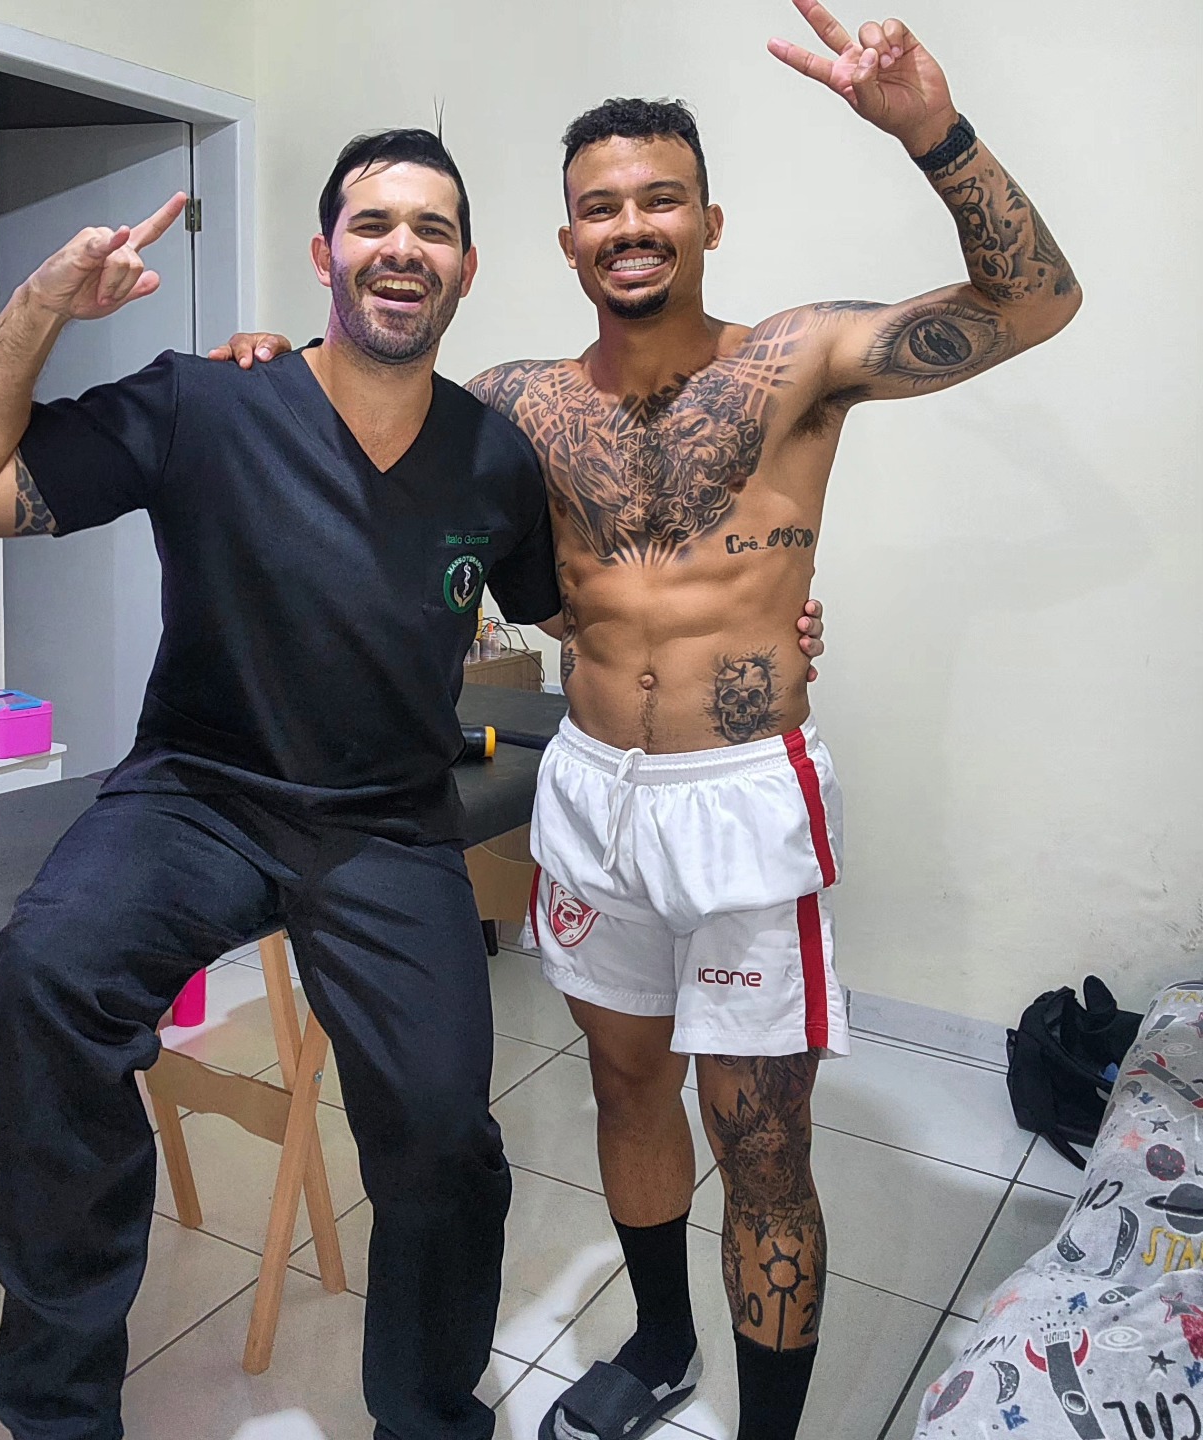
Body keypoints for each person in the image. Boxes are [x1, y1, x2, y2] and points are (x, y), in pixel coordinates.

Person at [220, 5, 1081, 1438]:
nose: (631, 226)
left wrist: (932, 132)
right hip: (591, 788)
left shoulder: (798, 360)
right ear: (565, 240)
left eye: (659, 198)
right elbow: (359, 418)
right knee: (626, 1088)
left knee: (763, 1140)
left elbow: (1035, 300)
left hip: (741, 794)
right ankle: (663, 1340)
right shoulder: (513, 405)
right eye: (601, 207)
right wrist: (268, 356)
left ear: (708, 220)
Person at [0, 129, 568, 1440]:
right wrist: (44, 304)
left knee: (446, 1139)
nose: (402, 248)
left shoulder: (496, 462)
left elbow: (574, 608)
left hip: (388, 824)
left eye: (433, 229)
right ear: (324, 253)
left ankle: (430, 1417)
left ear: (467, 268)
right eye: (373, 223)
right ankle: (59, 1415)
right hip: (198, 794)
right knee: (52, 976)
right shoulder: (204, 405)